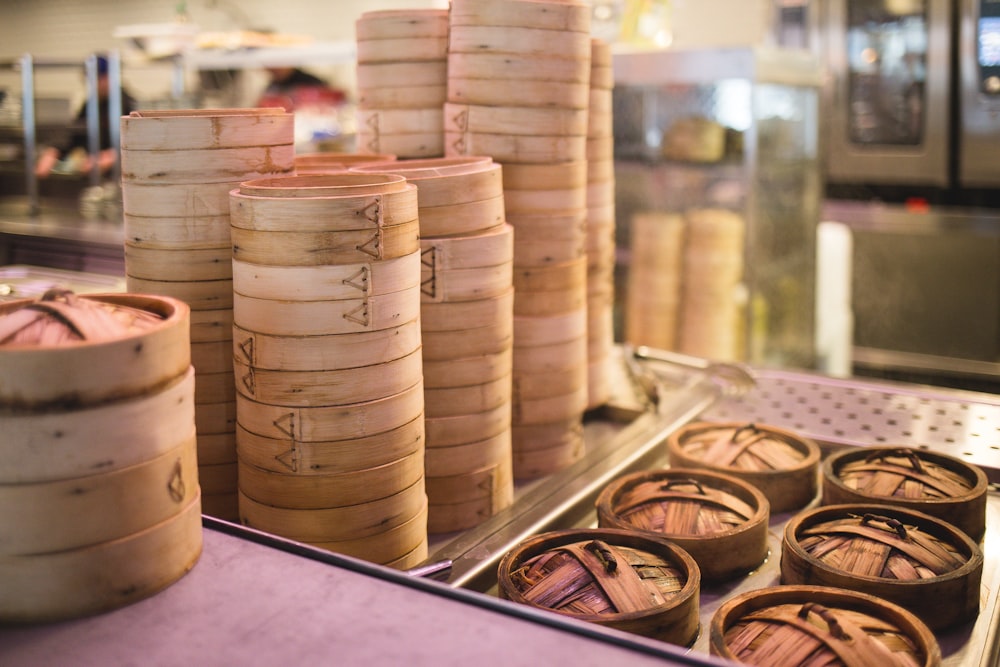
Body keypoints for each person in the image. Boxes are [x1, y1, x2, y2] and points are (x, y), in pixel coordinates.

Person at [35, 54, 137, 179]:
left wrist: (115, 155)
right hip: (96, 177)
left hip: (123, 177)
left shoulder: (128, 104)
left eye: (97, 79)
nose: (93, 85)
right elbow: (74, 132)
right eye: (89, 80)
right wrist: (53, 151)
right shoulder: (91, 104)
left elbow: (140, 142)